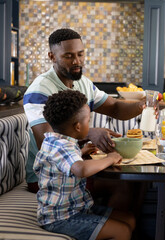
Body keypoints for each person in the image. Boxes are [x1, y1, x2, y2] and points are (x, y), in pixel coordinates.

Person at [23, 28, 152, 216]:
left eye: (80, 54)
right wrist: (90, 133)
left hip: (75, 163)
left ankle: (122, 229)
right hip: (49, 178)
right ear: (52, 56)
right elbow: (47, 141)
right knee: (123, 186)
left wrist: (143, 105)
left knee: (139, 182)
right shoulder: (40, 89)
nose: (77, 61)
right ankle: (115, 230)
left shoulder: (83, 83)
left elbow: (115, 107)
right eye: (68, 56)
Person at [34, 90, 135, 240]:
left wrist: (81, 152)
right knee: (122, 231)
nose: (90, 124)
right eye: (88, 121)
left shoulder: (56, 141)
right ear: (77, 127)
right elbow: (81, 169)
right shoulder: (63, 146)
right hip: (60, 218)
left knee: (129, 220)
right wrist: (111, 158)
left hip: (77, 208)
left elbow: (62, 163)